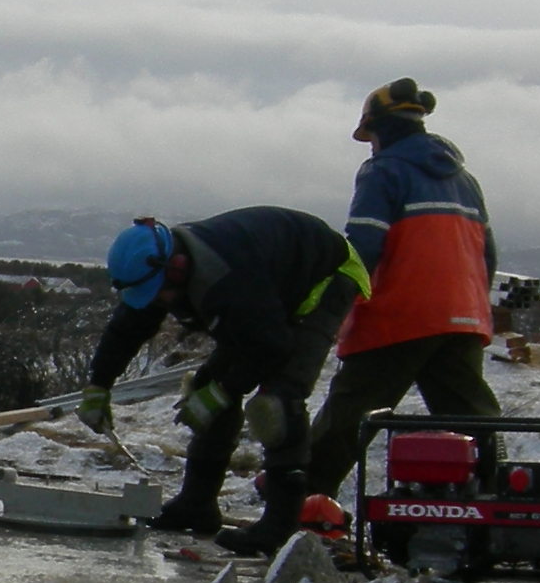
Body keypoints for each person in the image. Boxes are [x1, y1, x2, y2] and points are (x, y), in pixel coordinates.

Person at [77, 206, 371, 554]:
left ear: (177, 268)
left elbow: (271, 348)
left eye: (160, 293)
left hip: (326, 277)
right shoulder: (155, 272)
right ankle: (196, 504)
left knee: (276, 405)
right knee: (204, 388)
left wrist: (224, 391)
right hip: (268, 298)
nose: (158, 303)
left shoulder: (226, 278)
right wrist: (99, 385)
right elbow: (128, 327)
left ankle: (281, 527)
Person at [302, 77, 501, 505]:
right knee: (473, 420)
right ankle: (495, 502)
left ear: (380, 129)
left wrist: (333, 309)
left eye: (370, 136)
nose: (369, 146)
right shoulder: (465, 180)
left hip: (401, 313)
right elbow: (488, 254)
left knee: (350, 416)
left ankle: (299, 506)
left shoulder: (383, 170)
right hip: (463, 317)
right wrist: (475, 305)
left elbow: (365, 245)